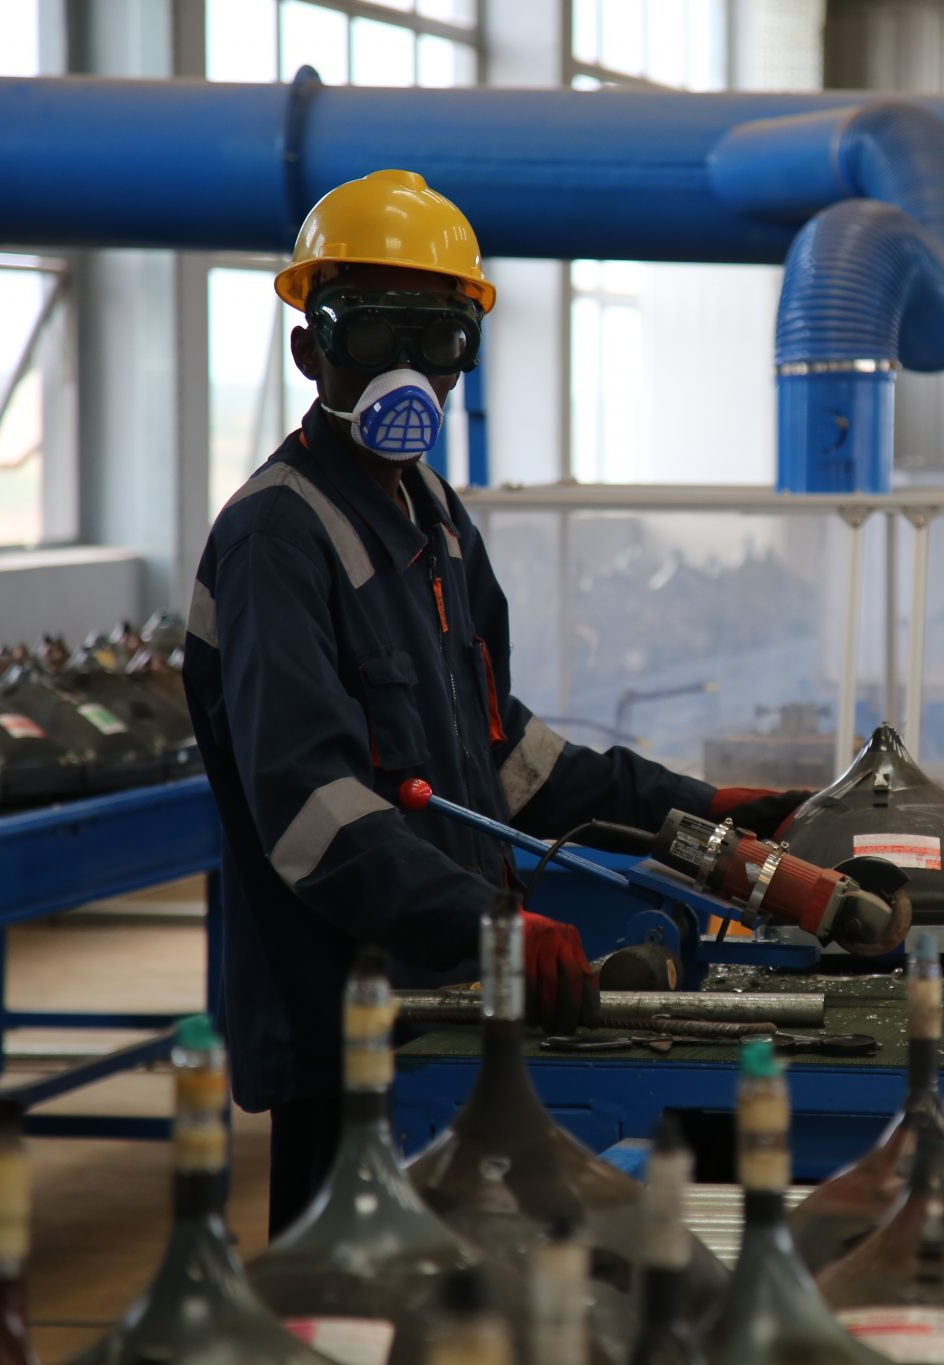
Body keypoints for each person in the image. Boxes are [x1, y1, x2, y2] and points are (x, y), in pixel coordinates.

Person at [181, 170, 805, 1234]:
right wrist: (492, 929)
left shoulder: (432, 516)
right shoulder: (274, 539)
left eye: (441, 341)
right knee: (353, 1314)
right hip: (354, 1026)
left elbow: (503, 755)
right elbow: (309, 811)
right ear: (308, 349)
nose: (411, 372)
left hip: (456, 1006)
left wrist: (696, 812)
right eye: (376, 337)